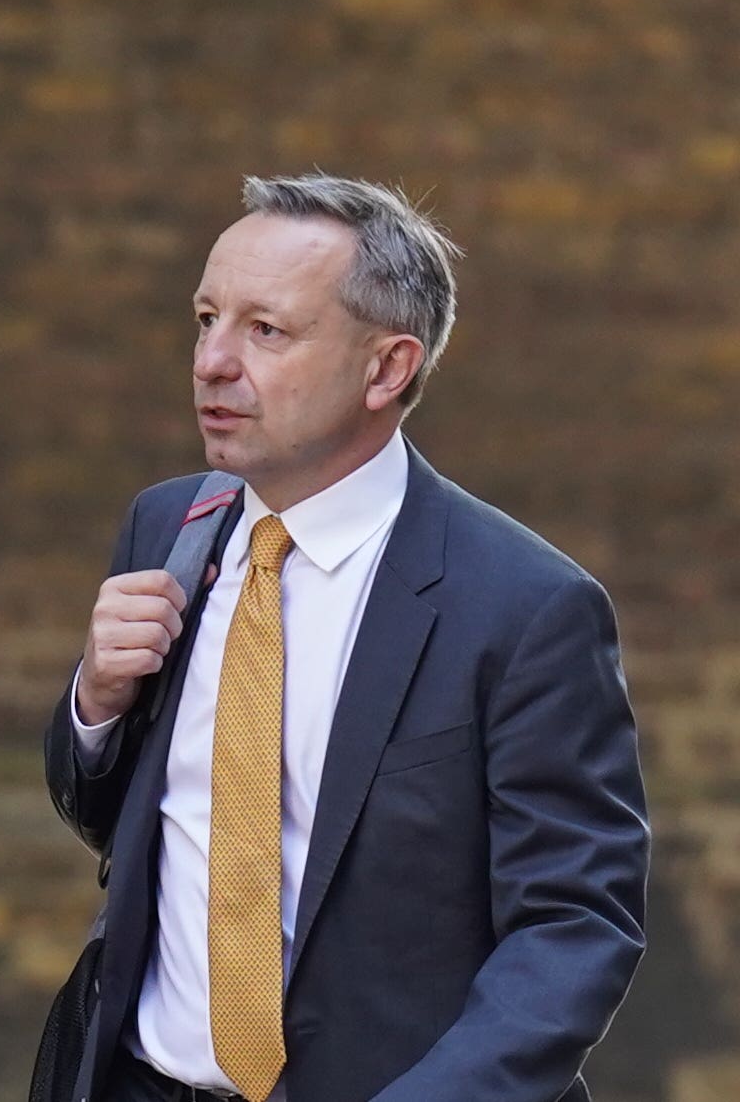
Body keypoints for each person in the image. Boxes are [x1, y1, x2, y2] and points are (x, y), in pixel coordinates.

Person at [45, 174, 647, 1102]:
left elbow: (574, 925)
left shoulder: (528, 609)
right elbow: (132, 822)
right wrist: (96, 704)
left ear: (387, 368)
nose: (211, 361)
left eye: (265, 330)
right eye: (206, 319)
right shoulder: (167, 526)